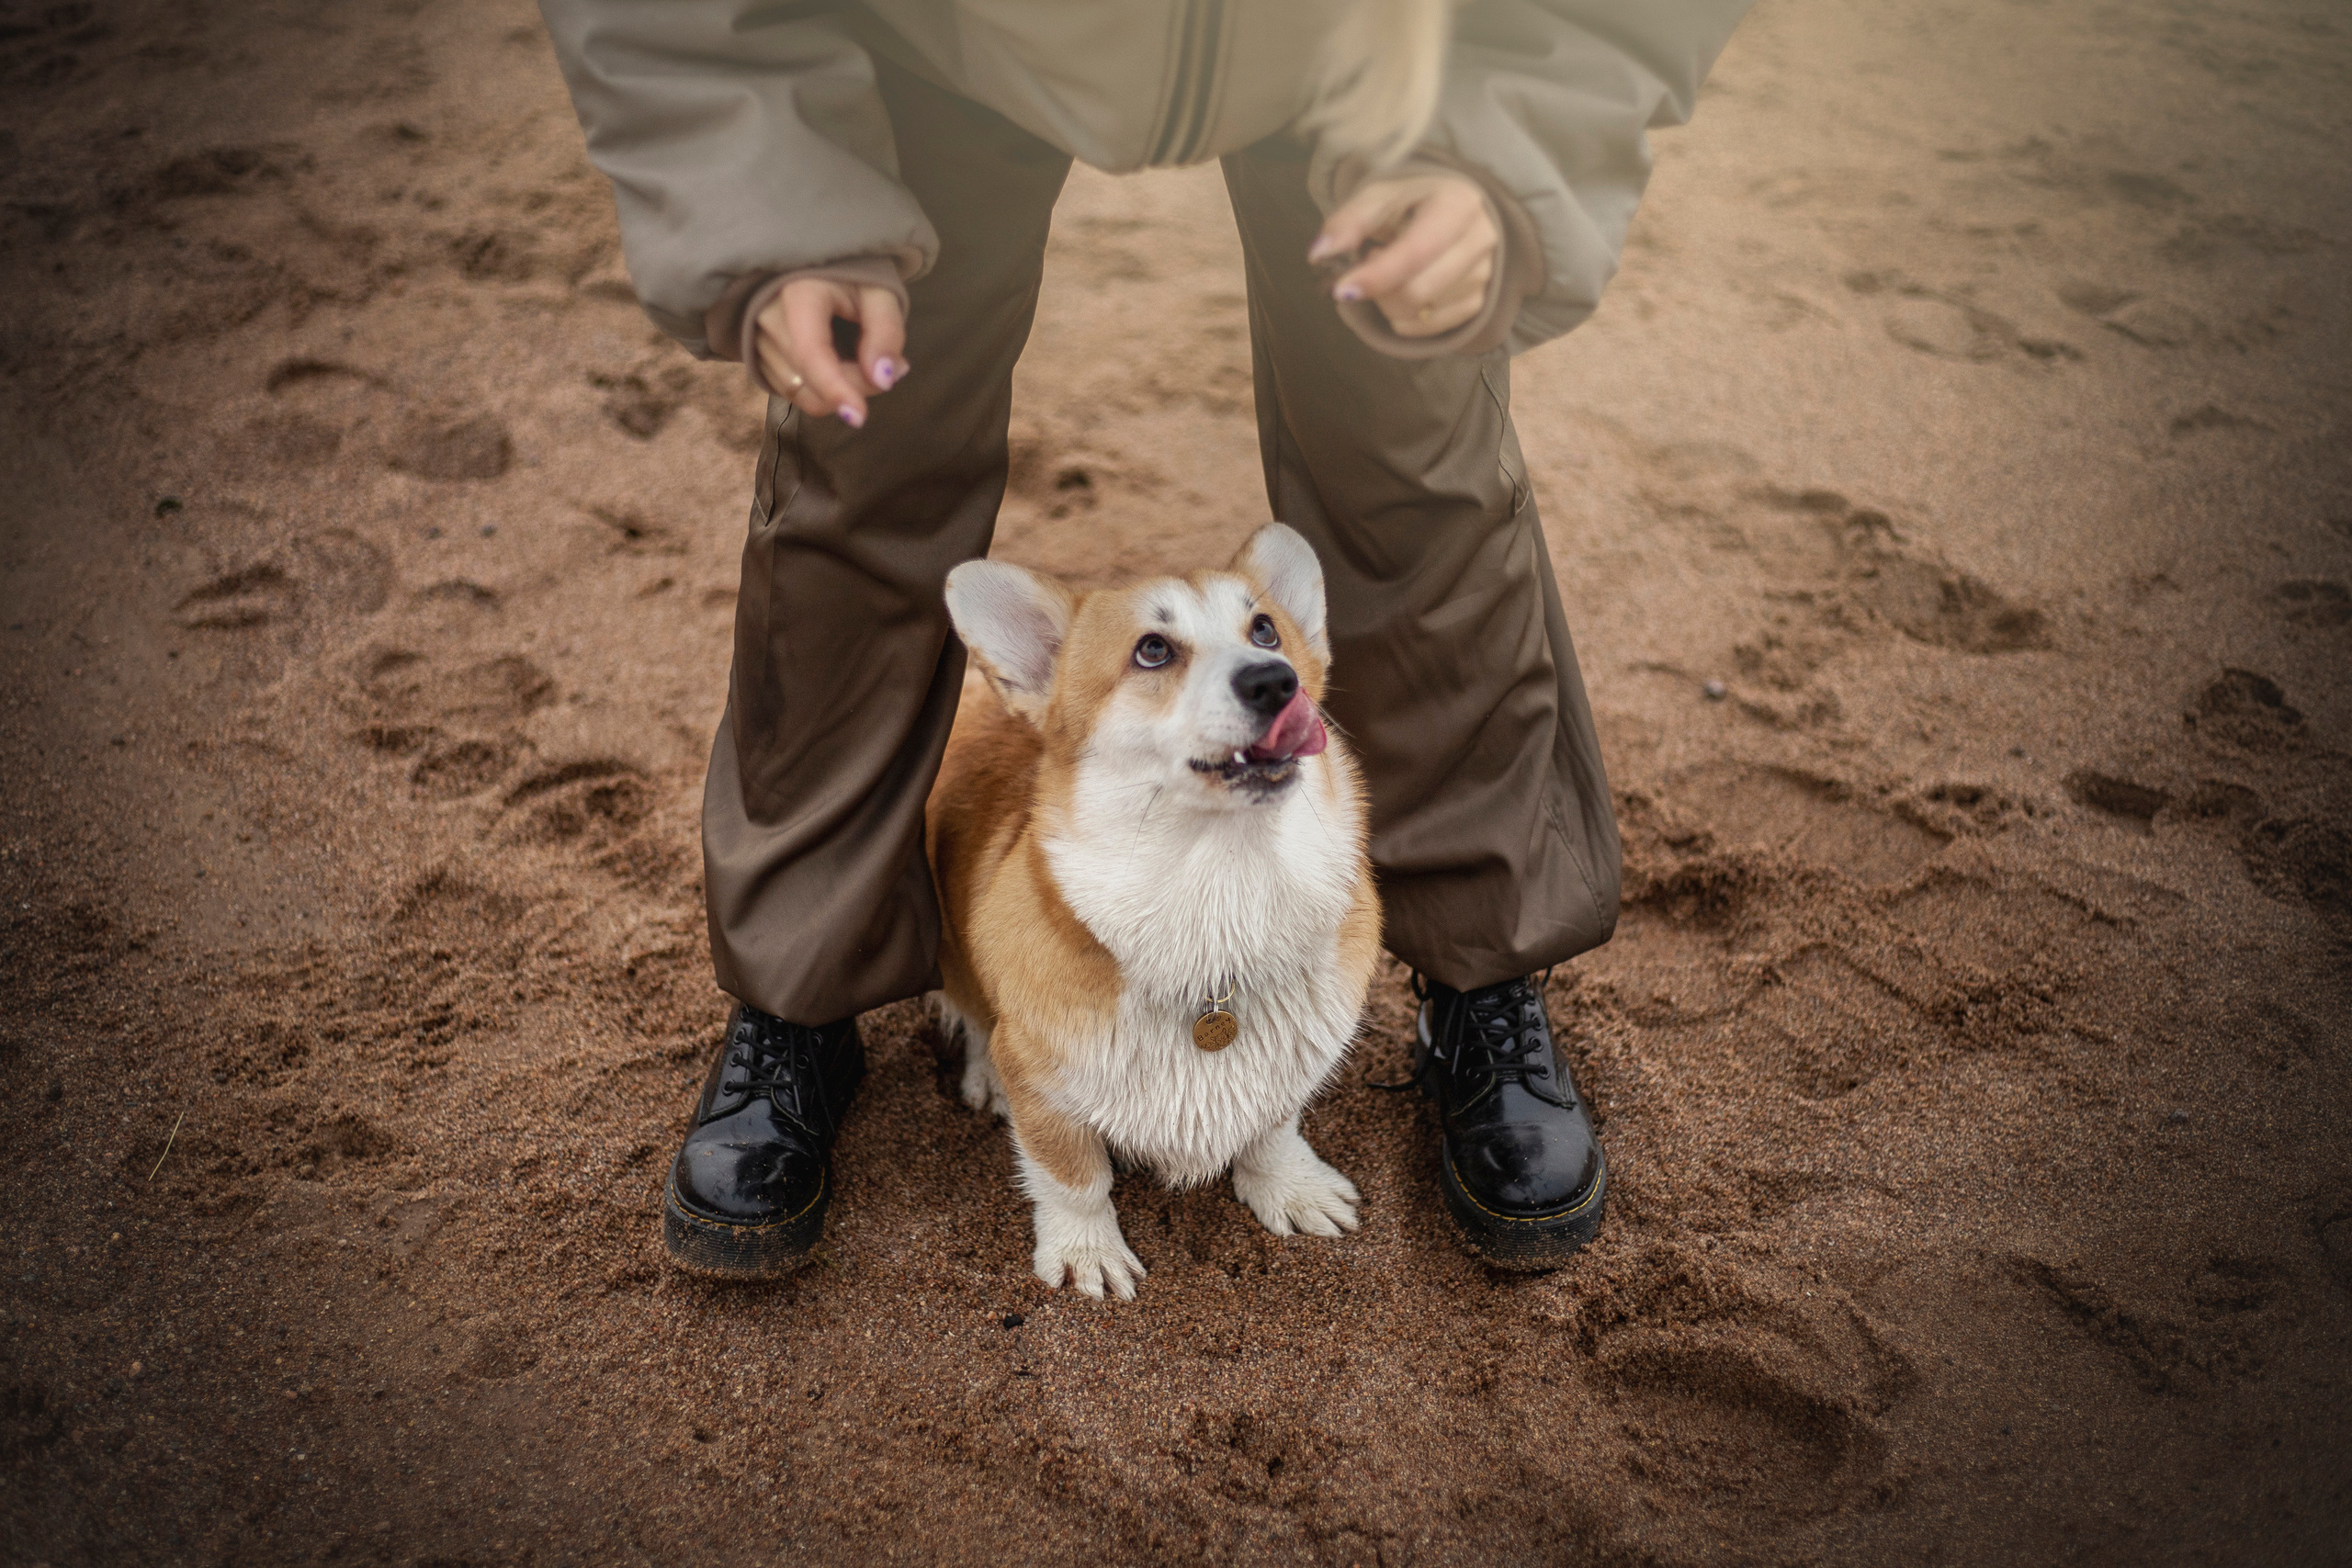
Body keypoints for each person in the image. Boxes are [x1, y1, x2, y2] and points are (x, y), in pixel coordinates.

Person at [537, 0, 1749, 1279]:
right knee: (862, 458)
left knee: (1414, 466)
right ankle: (802, 983)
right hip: (923, 31)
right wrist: (771, 206)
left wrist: (1510, 144)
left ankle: (1483, 971)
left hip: (1386, 38)